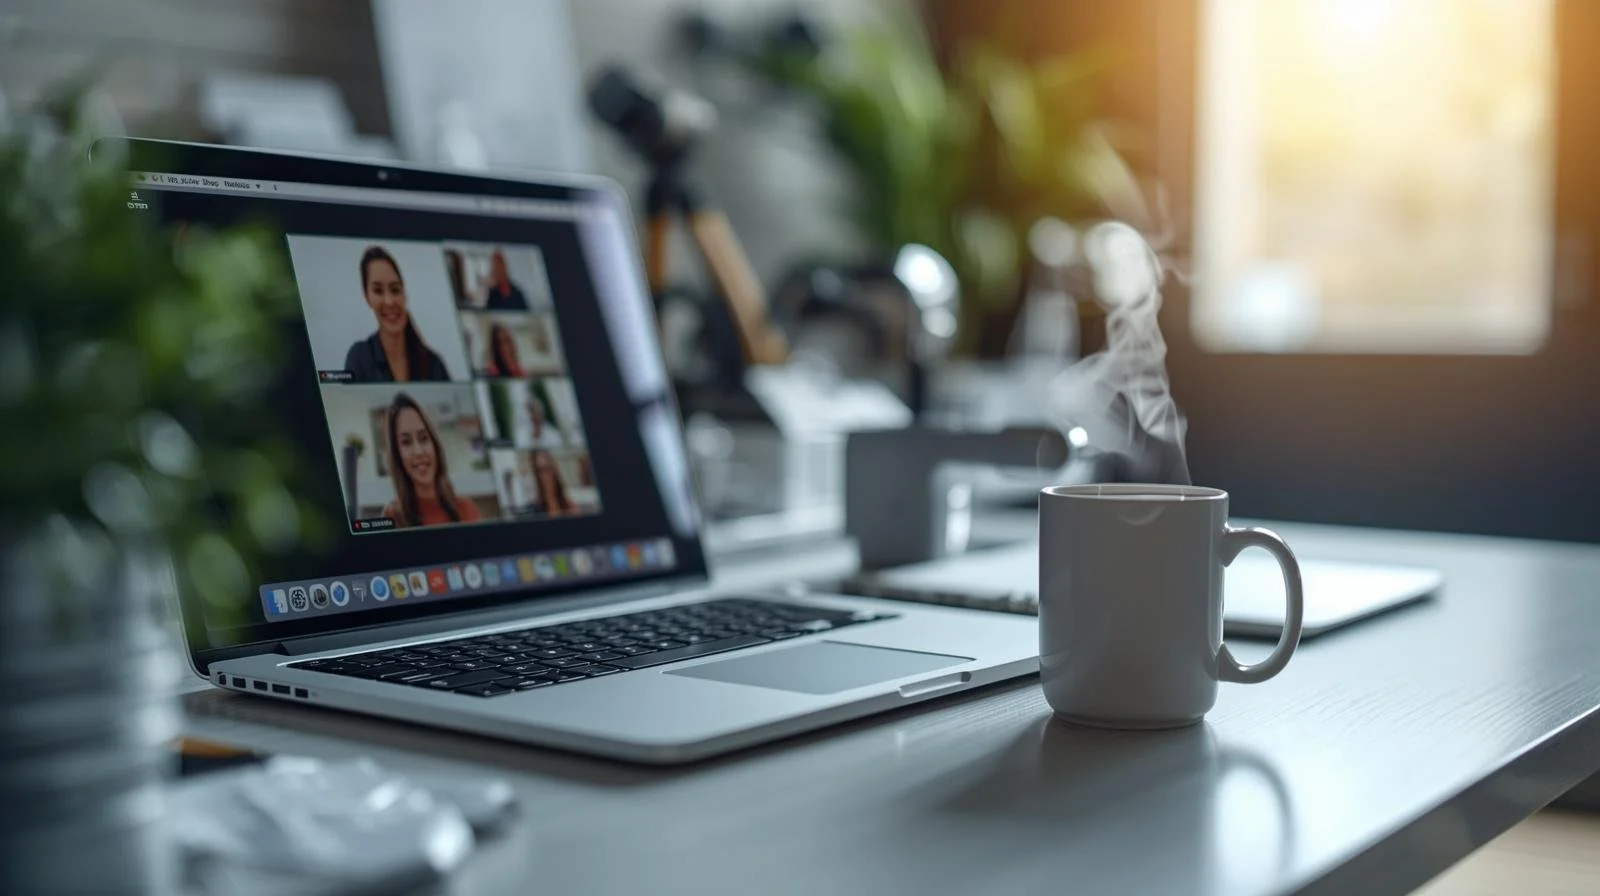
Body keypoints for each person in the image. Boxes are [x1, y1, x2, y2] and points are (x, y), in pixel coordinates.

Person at [343, 247, 452, 382]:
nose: (389, 301)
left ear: (405, 295)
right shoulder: (359, 357)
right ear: (367, 297)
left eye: (395, 290)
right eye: (378, 291)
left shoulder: (434, 364)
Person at [380, 392, 483, 527]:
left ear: (434, 444)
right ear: (397, 455)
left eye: (423, 438)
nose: (418, 452)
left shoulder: (466, 509)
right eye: (406, 442)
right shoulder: (391, 516)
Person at [531, 449, 578, 516]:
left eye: (548, 469)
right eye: (540, 471)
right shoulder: (535, 510)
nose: (546, 476)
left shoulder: (569, 505)